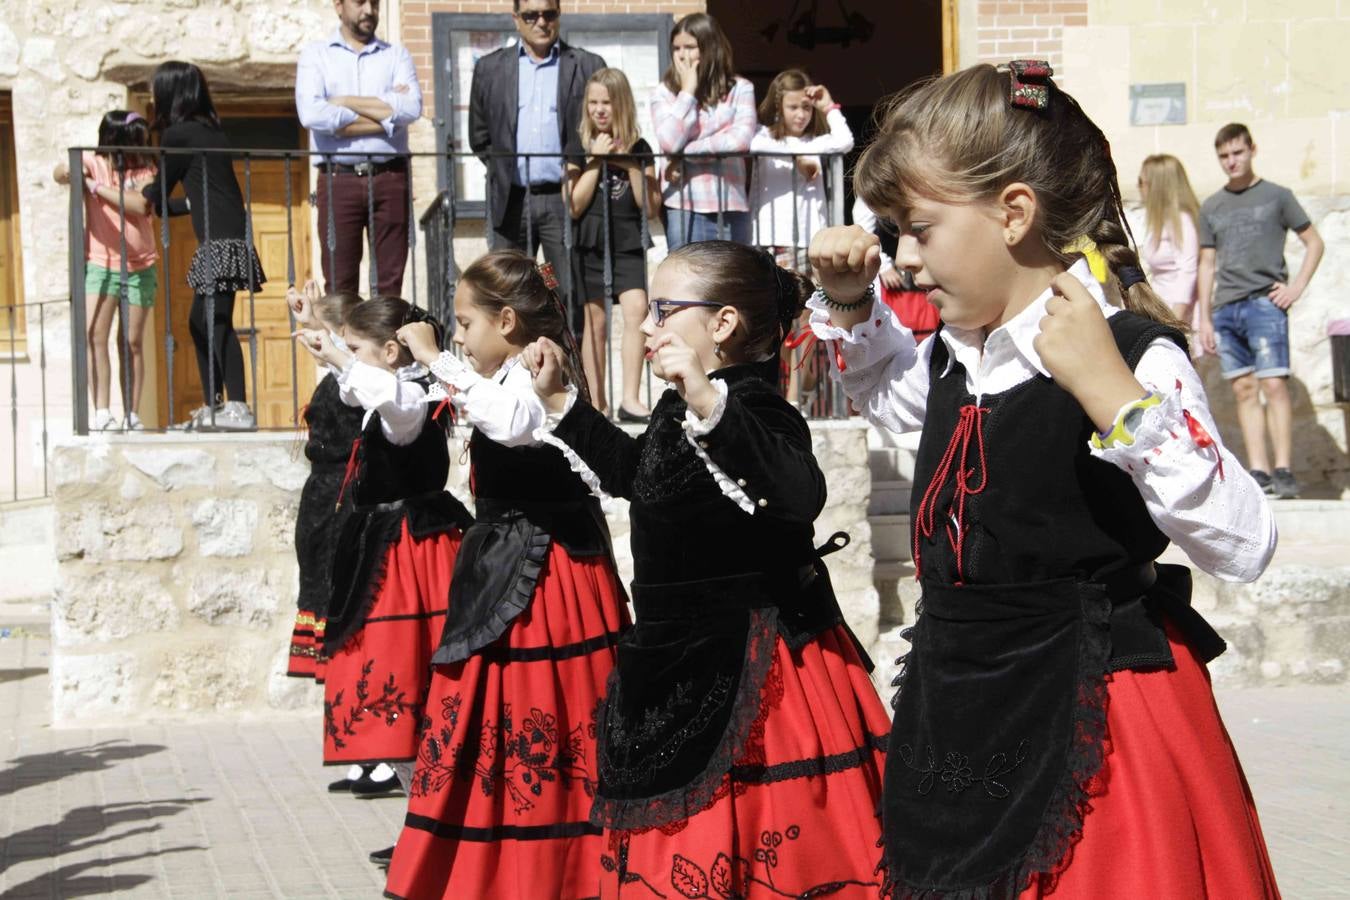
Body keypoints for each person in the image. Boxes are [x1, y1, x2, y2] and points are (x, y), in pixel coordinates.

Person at [809, 62, 1280, 898]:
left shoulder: (1132, 355)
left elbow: (1245, 541)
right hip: (960, 714)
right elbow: (894, 400)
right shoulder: (961, 355)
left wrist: (1111, 395)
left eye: (919, 230)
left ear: (1014, 212)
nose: (904, 263)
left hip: (1096, 727)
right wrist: (851, 304)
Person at [528, 241, 890, 898]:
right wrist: (561, 403)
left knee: (751, 846)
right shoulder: (680, 404)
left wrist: (705, 399)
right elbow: (641, 477)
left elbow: (797, 492)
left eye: (663, 310)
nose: (645, 325)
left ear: (722, 324)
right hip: (673, 654)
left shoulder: (752, 403)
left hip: (755, 665)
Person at [382, 251, 628, 899]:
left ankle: (559, 864)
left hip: (548, 571)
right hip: (508, 558)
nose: (458, 336)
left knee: (545, 706)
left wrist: (439, 358)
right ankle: (483, 853)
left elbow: (512, 423)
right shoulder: (499, 372)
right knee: (489, 710)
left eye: (466, 323)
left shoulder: (532, 373)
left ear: (509, 321)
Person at [293, 296, 473, 859]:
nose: (347, 359)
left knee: (409, 691)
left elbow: (393, 405)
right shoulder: (390, 384)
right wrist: (330, 345)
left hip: (412, 557)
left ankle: (434, 832)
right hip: (390, 551)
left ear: (391, 352)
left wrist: (344, 361)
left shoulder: (409, 400)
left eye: (356, 349)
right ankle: (426, 826)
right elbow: (362, 385)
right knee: (395, 698)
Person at [1197, 123, 1325, 499]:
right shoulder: (1212, 206)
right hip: (1226, 309)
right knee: (1244, 389)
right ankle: (1260, 471)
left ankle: (1284, 469)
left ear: (1252, 149)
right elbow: (1207, 263)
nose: (1231, 161)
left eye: (1237, 153)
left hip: (1265, 304)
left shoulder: (1278, 196)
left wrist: (1296, 287)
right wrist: (1204, 316)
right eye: (1224, 156)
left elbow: (1314, 242)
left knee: (1274, 385)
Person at [142, 61, 264, 431]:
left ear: (170, 93)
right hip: (226, 233)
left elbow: (158, 194)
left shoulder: (179, 135)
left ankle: (237, 407)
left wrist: (135, 189)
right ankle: (216, 407)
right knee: (203, 321)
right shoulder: (208, 132)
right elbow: (184, 195)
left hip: (221, 239)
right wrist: (185, 204)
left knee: (215, 321)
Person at [469, 0, 605, 314]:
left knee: (566, 294)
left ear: (558, 16)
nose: (541, 22)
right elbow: (479, 137)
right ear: (516, 19)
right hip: (511, 200)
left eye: (549, 14)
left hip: (563, 199)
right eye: (531, 15)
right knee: (507, 293)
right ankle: (516, 363)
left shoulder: (586, 64)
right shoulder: (490, 68)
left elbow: (599, 126)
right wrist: (504, 171)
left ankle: (566, 361)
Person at [296, 0, 421, 296]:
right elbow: (311, 114)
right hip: (339, 178)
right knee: (340, 285)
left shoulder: (396, 55)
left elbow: (412, 108)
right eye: (360, 2)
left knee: (390, 284)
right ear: (339, 6)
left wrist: (341, 102)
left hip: (390, 176)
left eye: (375, 3)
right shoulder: (317, 55)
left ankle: (387, 344)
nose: (369, 10)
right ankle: (340, 344)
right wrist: (388, 116)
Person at [54, 110, 159, 431]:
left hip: (140, 266)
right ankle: (101, 411)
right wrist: (72, 172)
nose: (141, 145)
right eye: (136, 139)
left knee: (131, 342)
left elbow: (141, 204)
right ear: (118, 140)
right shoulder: (94, 162)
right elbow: (61, 172)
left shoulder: (147, 170)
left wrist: (95, 188)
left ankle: (132, 413)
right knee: (94, 335)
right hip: (101, 264)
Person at [566, 67, 660, 422]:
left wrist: (629, 164)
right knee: (596, 321)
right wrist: (596, 161)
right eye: (593, 102)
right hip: (590, 240)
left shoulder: (640, 147)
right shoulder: (577, 145)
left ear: (620, 104)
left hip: (627, 240)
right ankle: (597, 403)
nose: (599, 109)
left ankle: (631, 399)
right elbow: (574, 204)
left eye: (606, 102)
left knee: (637, 310)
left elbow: (649, 206)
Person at [283, 281, 364, 684]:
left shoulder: (356, 382)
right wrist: (311, 317)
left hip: (341, 501)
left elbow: (338, 359)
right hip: (323, 501)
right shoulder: (340, 377)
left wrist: (318, 324)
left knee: (338, 593)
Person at [652, 13, 757, 250]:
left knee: (733, 281)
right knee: (686, 282)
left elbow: (740, 140)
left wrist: (683, 154)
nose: (682, 54)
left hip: (730, 202)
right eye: (677, 47)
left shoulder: (740, 88)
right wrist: (688, 92)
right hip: (683, 205)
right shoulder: (664, 93)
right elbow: (669, 141)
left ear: (709, 47)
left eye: (690, 47)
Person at [750, 69, 853, 266]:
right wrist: (796, 158)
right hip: (772, 236)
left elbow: (845, 141)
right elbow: (751, 144)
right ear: (779, 107)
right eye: (793, 107)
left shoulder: (814, 142)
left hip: (811, 237)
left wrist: (829, 107)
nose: (801, 114)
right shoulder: (764, 137)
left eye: (806, 107)